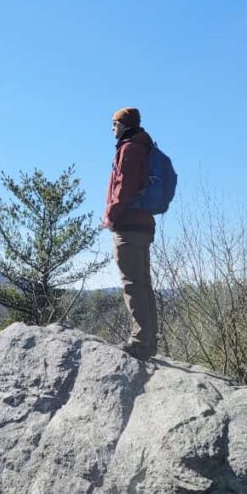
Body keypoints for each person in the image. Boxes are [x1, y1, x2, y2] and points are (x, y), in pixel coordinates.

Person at [102, 106, 159, 360]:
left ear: (123, 125)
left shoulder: (129, 149)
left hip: (129, 225)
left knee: (132, 284)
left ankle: (139, 341)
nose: (112, 129)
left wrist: (110, 217)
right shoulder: (145, 147)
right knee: (143, 284)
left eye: (114, 124)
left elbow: (122, 189)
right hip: (144, 224)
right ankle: (149, 340)